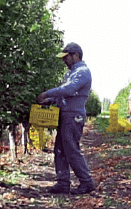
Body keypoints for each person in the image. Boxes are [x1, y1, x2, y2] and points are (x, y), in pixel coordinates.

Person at [37, 42, 95, 195]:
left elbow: (69, 89)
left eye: (66, 57)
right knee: (60, 150)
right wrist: (50, 101)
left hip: (73, 116)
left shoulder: (82, 72)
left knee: (71, 150)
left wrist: (47, 93)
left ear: (75, 55)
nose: (64, 60)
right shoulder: (70, 73)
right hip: (65, 114)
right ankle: (63, 183)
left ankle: (87, 182)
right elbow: (64, 94)